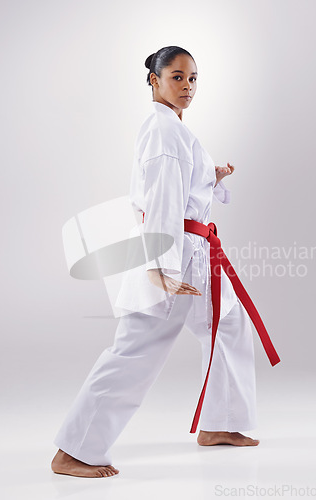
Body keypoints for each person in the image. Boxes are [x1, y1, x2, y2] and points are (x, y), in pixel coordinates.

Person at [51, 46, 260, 479]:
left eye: (194, 79)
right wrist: (159, 266)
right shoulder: (164, 131)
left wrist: (211, 177)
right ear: (154, 80)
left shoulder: (175, 130)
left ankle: (222, 424)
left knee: (229, 326)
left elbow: (178, 188)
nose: (188, 87)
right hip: (172, 252)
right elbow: (162, 199)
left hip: (194, 250)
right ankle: (75, 450)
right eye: (178, 77)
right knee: (137, 348)